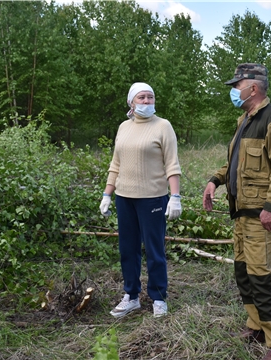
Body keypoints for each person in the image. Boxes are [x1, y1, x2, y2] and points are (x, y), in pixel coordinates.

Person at [202, 64, 271, 360]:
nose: (233, 90)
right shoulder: (245, 119)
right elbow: (235, 163)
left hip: (261, 215)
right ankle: (256, 325)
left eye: (237, 85)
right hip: (241, 212)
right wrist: (214, 181)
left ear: (253, 88)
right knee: (244, 271)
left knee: (263, 276)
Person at [100, 82, 182, 319]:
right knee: (128, 248)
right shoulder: (124, 127)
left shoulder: (163, 126)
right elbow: (116, 164)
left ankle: (158, 297)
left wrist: (174, 197)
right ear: (131, 102)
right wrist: (107, 193)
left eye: (150, 97)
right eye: (141, 98)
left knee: (154, 249)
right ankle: (131, 297)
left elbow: (172, 164)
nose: (147, 102)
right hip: (124, 198)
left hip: (152, 198)